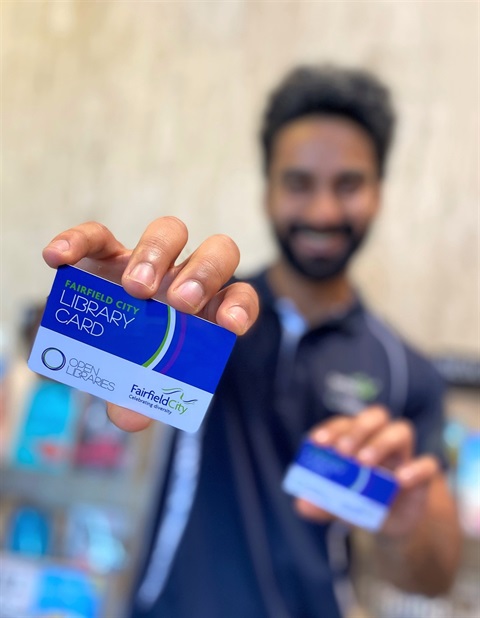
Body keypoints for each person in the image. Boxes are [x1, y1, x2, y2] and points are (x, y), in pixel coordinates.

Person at [41, 65, 460, 618]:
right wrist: (122, 310)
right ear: (267, 192)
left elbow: (431, 576)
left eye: (349, 184)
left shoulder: (409, 373)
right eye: (299, 183)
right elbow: (75, 378)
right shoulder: (206, 317)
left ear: (379, 193)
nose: (323, 211)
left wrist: (404, 526)